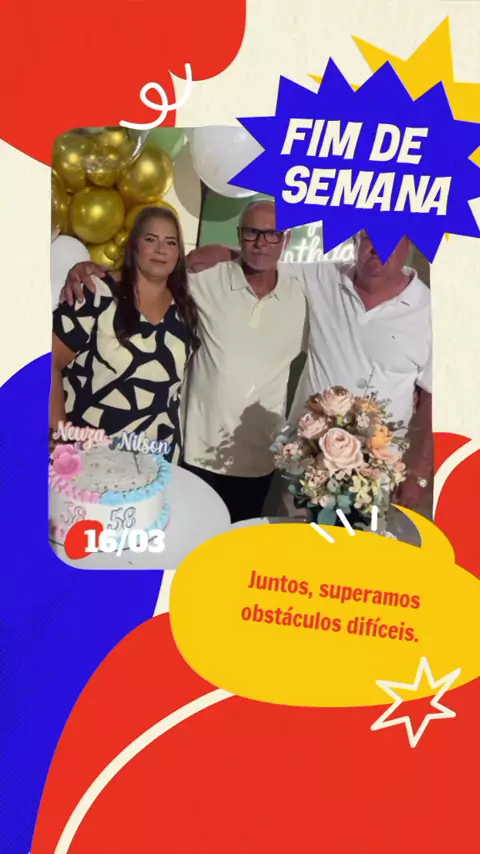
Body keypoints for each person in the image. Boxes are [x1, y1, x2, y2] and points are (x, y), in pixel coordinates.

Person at [60, 200, 308, 523]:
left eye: (272, 234)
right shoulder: (199, 283)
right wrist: (84, 269)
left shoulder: (301, 296)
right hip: (184, 453)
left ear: (286, 239)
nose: (261, 242)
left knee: (228, 545)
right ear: (239, 234)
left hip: (252, 460)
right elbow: (52, 361)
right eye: (251, 232)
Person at [182, 228, 434, 512]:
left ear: (409, 245)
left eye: (391, 238)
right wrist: (229, 253)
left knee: (362, 542)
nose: (378, 246)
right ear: (355, 241)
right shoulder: (322, 277)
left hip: (376, 474)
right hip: (306, 466)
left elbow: (433, 396)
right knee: (290, 538)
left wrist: (420, 468)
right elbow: (263, 261)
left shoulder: (430, 311)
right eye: (368, 238)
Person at [51, 206, 200, 464]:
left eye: (171, 242)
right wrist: (60, 442)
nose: (161, 249)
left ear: (179, 254)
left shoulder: (185, 309)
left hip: (157, 461)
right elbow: (47, 363)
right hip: (86, 457)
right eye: (151, 239)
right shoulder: (96, 293)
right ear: (134, 246)